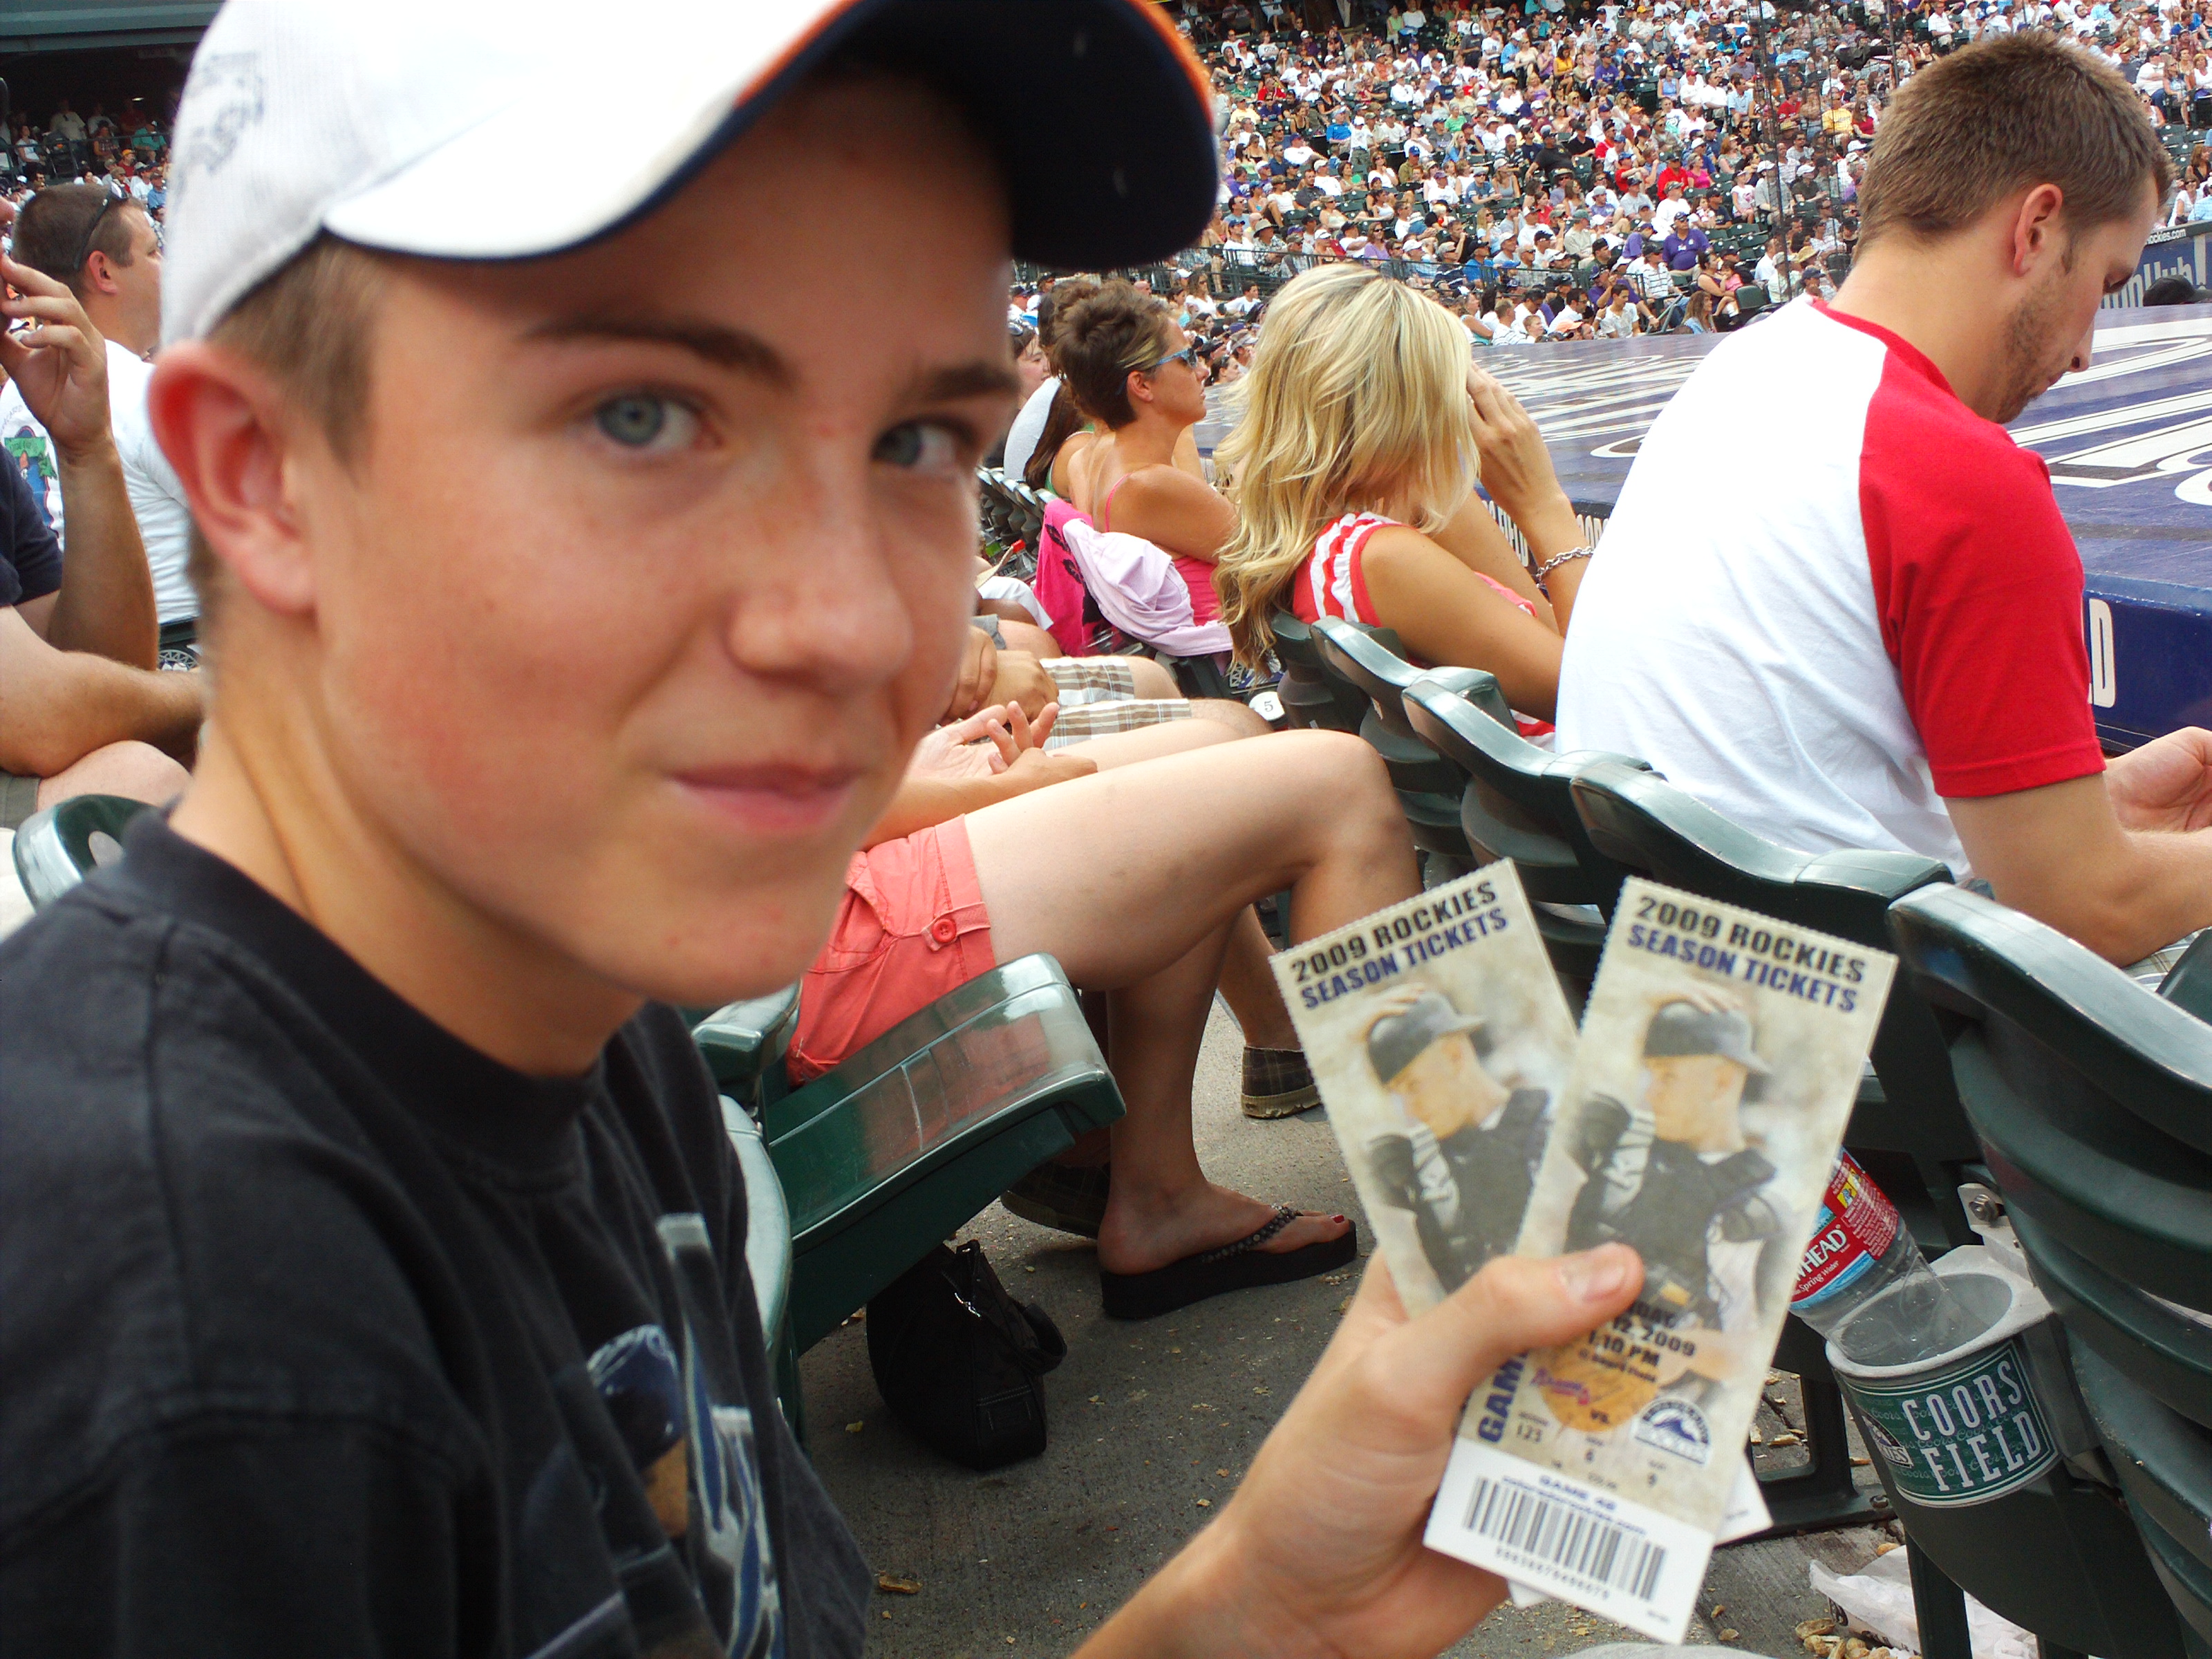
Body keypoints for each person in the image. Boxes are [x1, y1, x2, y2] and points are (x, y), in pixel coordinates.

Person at [0, 5, 1652, 1657]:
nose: (860, 623)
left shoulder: (578, 1009)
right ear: (259, 477)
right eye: (642, 416)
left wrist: (1252, 1609)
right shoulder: (175, 1358)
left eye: (916, 442)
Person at [1557, 33, 2212, 966]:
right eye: (2104, 283)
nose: (2084, 353)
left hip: (1671, 998)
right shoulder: (1957, 473)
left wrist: (2089, 806)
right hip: (1854, 1064)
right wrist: (2098, 862)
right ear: (2035, 229)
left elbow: (1797, 767)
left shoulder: (1739, 371)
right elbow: (2083, 911)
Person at [1210, 263, 1590, 728]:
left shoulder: (1305, 525)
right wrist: (1543, 507)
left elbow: (1550, 635)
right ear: (1402, 406)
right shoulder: (1383, 558)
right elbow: (1601, 696)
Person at [0, 223, 199, 825]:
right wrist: (228, 687)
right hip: (186, 638)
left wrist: (88, 447)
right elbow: (39, 716)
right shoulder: (155, 388)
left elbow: (108, 660)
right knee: (136, 780)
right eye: (155, 249)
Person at [7, 184, 203, 635]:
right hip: (183, 651)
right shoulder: (155, 393)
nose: (166, 266)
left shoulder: (12, 399)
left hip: (62, 658)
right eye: (154, 252)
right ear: (104, 272)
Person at [1360, 984, 1551, 1293]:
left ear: (1453, 1055)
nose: (1411, 1111)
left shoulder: (1552, 1132)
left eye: (1413, 1086)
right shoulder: (1415, 1165)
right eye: (1398, 1094)